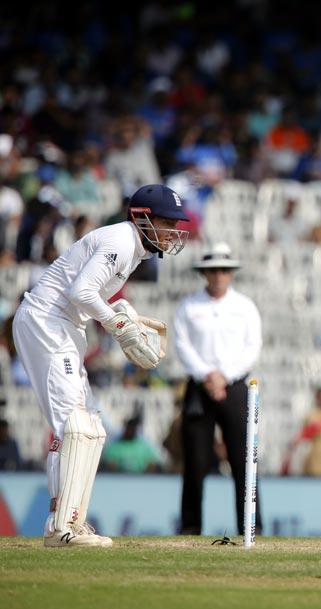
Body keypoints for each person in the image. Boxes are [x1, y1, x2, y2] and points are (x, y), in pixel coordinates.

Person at [11, 183, 190, 547]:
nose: (173, 232)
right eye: (167, 223)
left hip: (64, 327)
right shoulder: (121, 241)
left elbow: (90, 297)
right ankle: (63, 527)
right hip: (47, 322)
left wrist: (123, 315)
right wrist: (117, 322)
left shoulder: (135, 250)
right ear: (143, 218)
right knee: (74, 424)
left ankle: (66, 520)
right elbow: (81, 292)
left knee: (90, 424)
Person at [174, 242, 263, 536]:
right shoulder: (189, 306)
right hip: (200, 386)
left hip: (235, 386)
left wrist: (224, 376)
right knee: (195, 460)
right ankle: (190, 526)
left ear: (231, 273)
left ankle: (251, 526)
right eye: (213, 271)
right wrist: (207, 375)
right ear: (205, 273)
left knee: (243, 459)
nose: (219, 276)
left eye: (224, 270)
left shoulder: (244, 306)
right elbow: (182, 345)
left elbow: (253, 347)